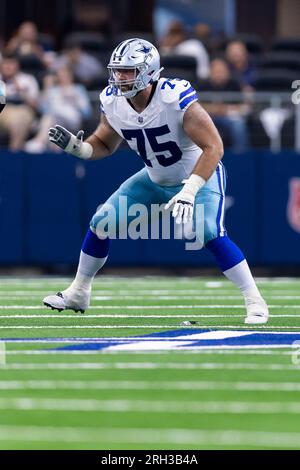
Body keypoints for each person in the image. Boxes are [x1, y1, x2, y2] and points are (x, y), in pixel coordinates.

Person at [43, 38, 268, 325]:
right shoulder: (112, 100)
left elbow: (215, 147)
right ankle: (78, 292)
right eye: (117, 70)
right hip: (154, 178)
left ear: (149, 71)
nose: (120, 77)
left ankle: (255, 300)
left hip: (198, 175)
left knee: (209, 231)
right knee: (101, 223)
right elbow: (103, 143)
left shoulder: (174, 97)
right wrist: (79, 148)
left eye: (128, 71)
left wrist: (190, 189)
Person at [25, 67, 92, 153]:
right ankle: (54, 150)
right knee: (51, 119)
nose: (63, 78)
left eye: (65, 75)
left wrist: (75, 100)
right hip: (55, 120)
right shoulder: (53, 91)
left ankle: (39, 141)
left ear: (71, 76)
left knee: (51, 119)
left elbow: (87, 113)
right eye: (60, 76)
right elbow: (43, 110)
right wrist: (47, 88)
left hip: (73, 120)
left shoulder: (77, 89)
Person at [200, 58, 250, 153]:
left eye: (221, 71)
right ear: (210, 72)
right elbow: (196, 106)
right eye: (216, 71)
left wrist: (226, 109)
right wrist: (214, 109)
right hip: (208, 118)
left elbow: (244, 106)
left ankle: (240, 155)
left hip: (229, 118)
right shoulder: (203, 85)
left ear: (227, 72)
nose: (219, 74)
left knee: (238, 125)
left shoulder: (234, 84)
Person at [0, 53, 39, 150]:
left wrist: (21, 92)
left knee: (21, 117)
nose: (8, 67)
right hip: (4, 111)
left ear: (17, 65)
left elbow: (35, 105)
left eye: (11, 64)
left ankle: (14, 153)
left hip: (24, 110)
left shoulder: (28, 79)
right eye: (6, 64)